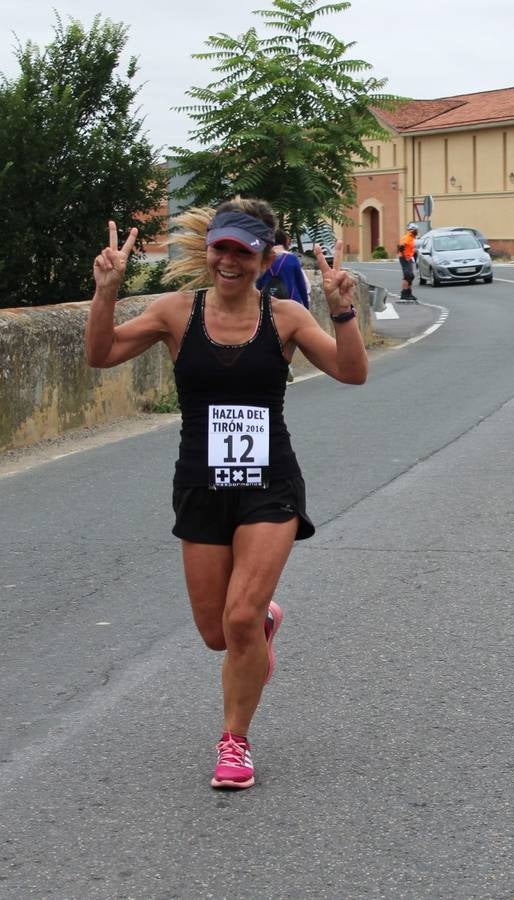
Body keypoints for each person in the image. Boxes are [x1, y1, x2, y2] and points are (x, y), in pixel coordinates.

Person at [85, 198, 369, 790]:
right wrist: (106, 291)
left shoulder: (286, 317)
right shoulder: (174, 313)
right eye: (222, 248)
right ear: (208, 251)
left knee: (236, 620)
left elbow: (352, 373)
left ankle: (234, 742)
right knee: (219, 632)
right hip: (200, 484)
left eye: (244, 250)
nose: (231, 260)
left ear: (265, 257)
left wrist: (342, 313)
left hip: (270, 484)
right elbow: (101, 353)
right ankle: (262, 621)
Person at [257, 229, 311, 308]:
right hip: (292, 304)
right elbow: (303, 285)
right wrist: (306, 306)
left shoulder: (263, 260)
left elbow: (257, 284)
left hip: (268, 305)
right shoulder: (292, 259)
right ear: (285, 242)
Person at [398, 223, 418, 301]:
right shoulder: (407, 237)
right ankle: (404, 294)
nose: (417, 232)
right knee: (407, 275)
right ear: (413, 230)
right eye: (416, 230)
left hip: (409, 258)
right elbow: (401, 246)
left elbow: (409, 247)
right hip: (405, 258)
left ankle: (409, 293)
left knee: (411, 276)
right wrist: (404, 256)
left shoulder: (411, 238)